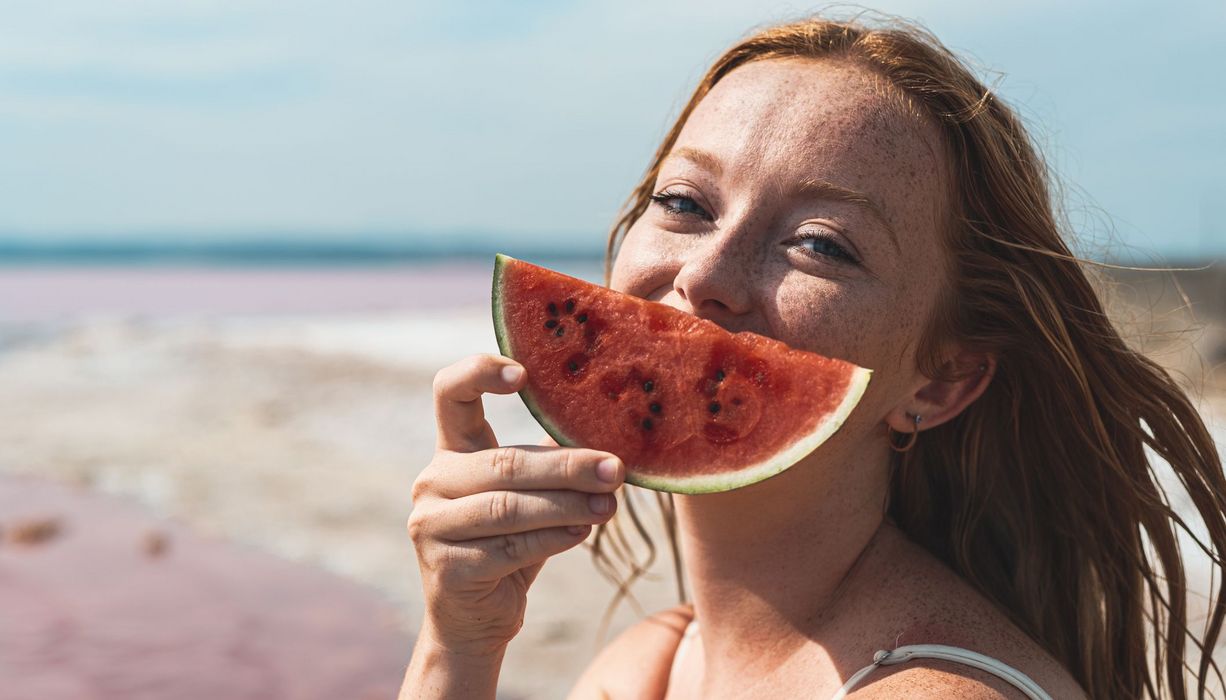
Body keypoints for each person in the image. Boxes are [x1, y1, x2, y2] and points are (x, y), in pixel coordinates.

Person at [402, 13, 1226, 699]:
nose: (704, 276)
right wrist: (458, 645)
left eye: (822, 246)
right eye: (684, 201)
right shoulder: (656, 664)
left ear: (942, 382)